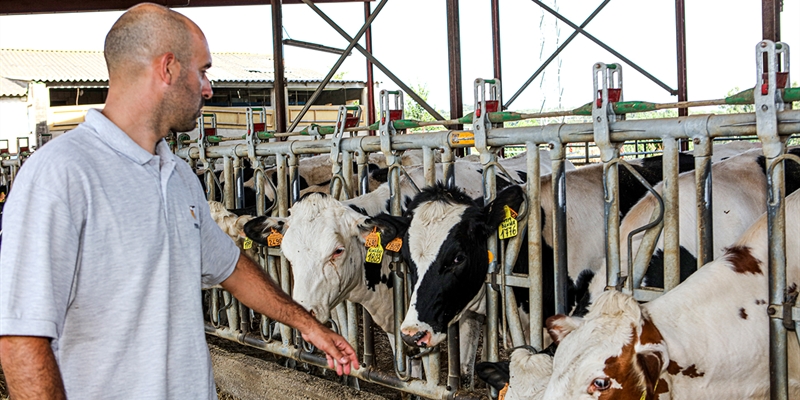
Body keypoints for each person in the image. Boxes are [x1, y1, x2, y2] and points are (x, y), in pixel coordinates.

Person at [0, 3, 358, 399]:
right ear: (167, 68)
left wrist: (309, 324)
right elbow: (21, 337)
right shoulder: (61, 173)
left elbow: (232, 267)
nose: (208, 88)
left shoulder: (178, 177)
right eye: (203, 71)